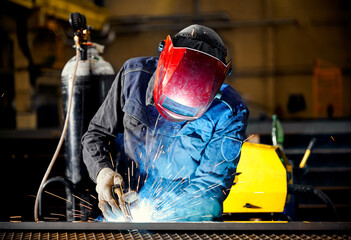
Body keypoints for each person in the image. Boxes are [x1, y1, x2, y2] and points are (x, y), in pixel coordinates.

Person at [81, 24, 249, 222]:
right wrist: (102, 171)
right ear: (163, 60)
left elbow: (209, 193)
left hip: (184, 221)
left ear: (216, 86)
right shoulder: (133, 77)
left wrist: (150, 208)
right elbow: (96, 135)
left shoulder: (229, 110)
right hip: (121, 210)